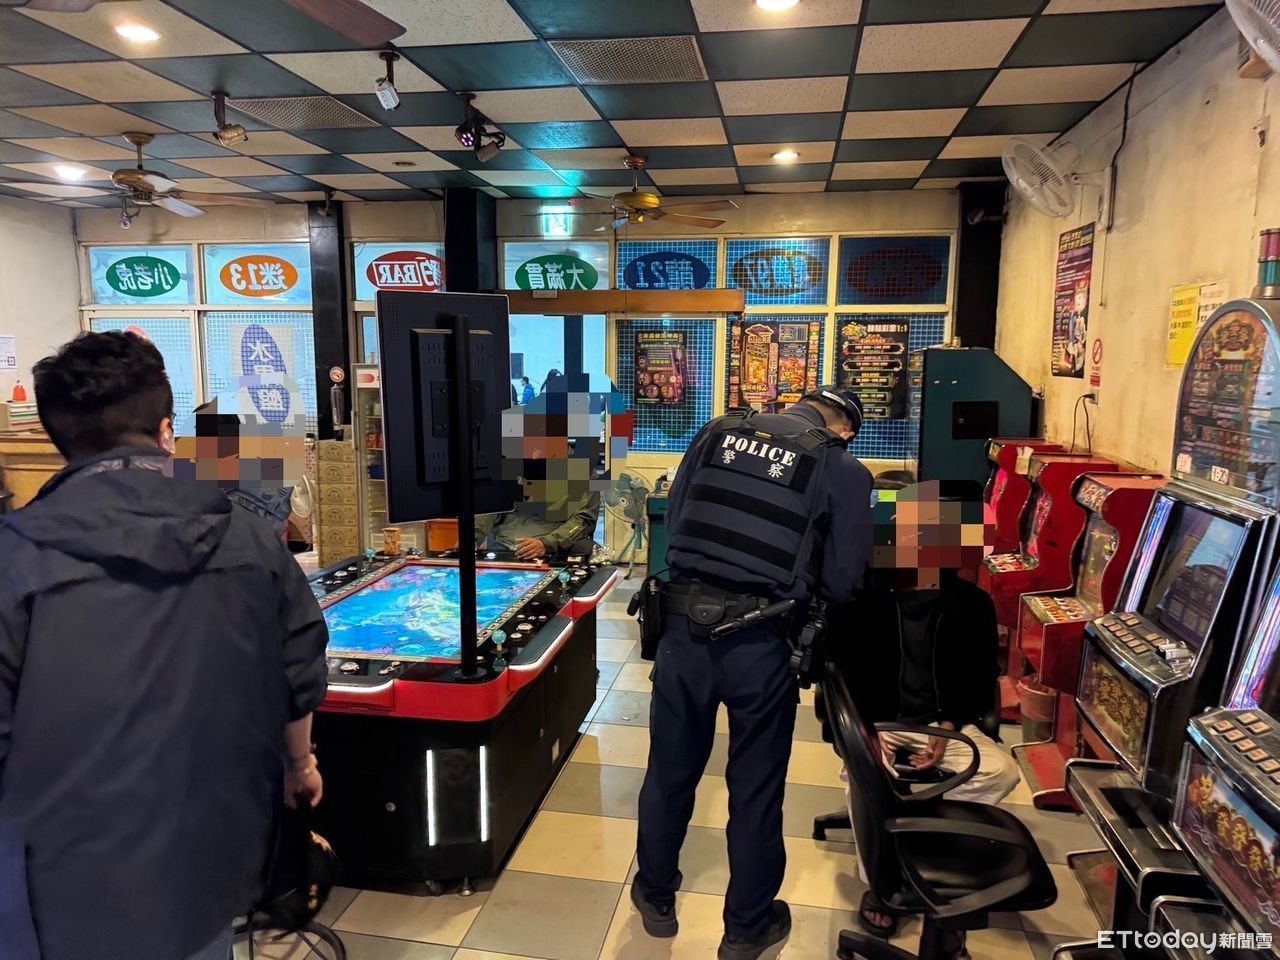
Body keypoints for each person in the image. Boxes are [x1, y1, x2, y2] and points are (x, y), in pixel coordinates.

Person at [0, 332, 329, 960]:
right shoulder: (250, 540)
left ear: (56, 437)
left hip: (60, 882)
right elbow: (299, 671)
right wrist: (300, 765)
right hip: (212, 857)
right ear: (167, 430)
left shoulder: (16, 557)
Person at [633, 386, 873, 960]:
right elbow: (844, 583)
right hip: (761, 642)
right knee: (756, 789)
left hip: (681, 631)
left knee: (669, 771)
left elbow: (676, 517)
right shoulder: (843, 468)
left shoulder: (718, 430)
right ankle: (746, 929)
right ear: (844, 430)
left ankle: (655, 895)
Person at [825, 480, 1017, 940]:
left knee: (1000, 773)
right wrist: (867, 731)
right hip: (876, 721)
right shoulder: (861, 601)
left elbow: (979, 679)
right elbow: (838, 675)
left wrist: (949, 721)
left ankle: (931, 853)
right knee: (867, 779)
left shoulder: (972, 606)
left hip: (942, 723)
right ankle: (882, 885)